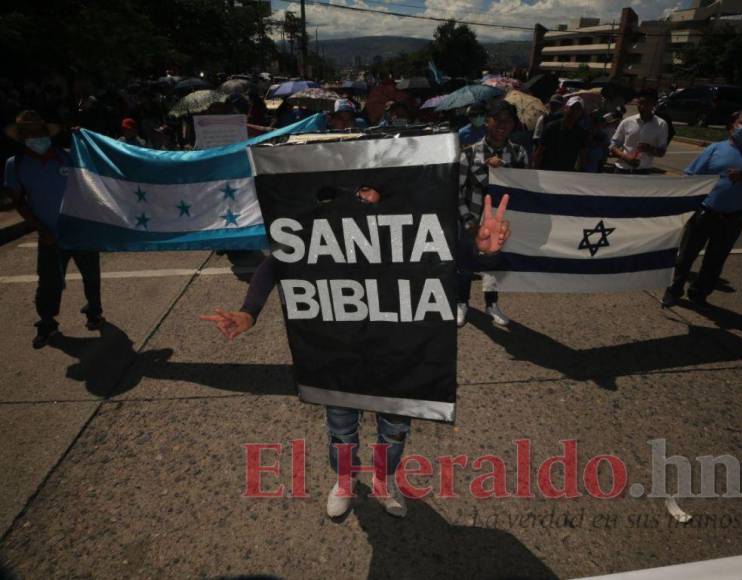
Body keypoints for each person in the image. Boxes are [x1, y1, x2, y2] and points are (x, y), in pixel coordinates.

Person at [201, 186, 511, 520]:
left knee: (394, 429)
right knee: (341, 429)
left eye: (372, 188)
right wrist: (249, 311)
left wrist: (483, 251)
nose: (364, 198)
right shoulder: (324, 221)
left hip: (398, 352)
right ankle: (345, 479)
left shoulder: (412, 220)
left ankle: (383, 479)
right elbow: (278, 262)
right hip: (338, 351)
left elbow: (453, 256)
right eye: (357, 190)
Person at [2, 110, 104, 348]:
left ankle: (94, 311)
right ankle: (47, 323)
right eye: (29, 134)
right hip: (49, 234)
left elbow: (93, 176)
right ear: (22, 137)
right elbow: (18, 201)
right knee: (49, 282)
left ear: (47, 133)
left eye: (38, 132)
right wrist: (39, 228)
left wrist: (85, 140)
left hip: (80, 230)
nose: (35, 137)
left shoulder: (68, 157)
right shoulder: (15, 165)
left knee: (91, 275)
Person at [662, 110, 742, 308]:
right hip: (705, 211)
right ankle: (674, 290)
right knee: (685, 256)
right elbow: (691, 177)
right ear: (732, 125)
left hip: (734, 216)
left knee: (715, 260)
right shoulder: (715, 149)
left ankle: (699, 294)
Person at [457, 100, 528, 328]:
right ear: (487, 122)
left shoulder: (518, 154)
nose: (502, 125)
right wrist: (468, 221)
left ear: (514, 125)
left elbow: (526, 191)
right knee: (466, 264)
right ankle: (461, 302)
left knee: (494, 266)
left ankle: (491, 304)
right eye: (497, 120)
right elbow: (457, 192)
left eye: (508, 121)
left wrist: (505, 172)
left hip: (501, 224)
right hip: (473, 221)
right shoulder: (469, 154)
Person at [608, 93, 668, 175]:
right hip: (621, 169)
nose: (643, 106)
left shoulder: (661, 124)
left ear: (654, 104)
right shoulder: (627, 121)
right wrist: (625, 157)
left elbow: (662, 152)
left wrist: (649, 148)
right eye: (640, 103)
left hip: (643, 171)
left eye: (647, 103)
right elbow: (613, 145)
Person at [533, 95, 587, 172]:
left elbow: (583, 156)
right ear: (566, 108)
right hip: (548, 172)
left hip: (567, 173)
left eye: (578, 109)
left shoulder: (581, 133)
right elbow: (539, 152)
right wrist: (535, 172)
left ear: (581, 112)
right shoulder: (551, 128)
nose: (574, 111)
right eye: (572, 108)